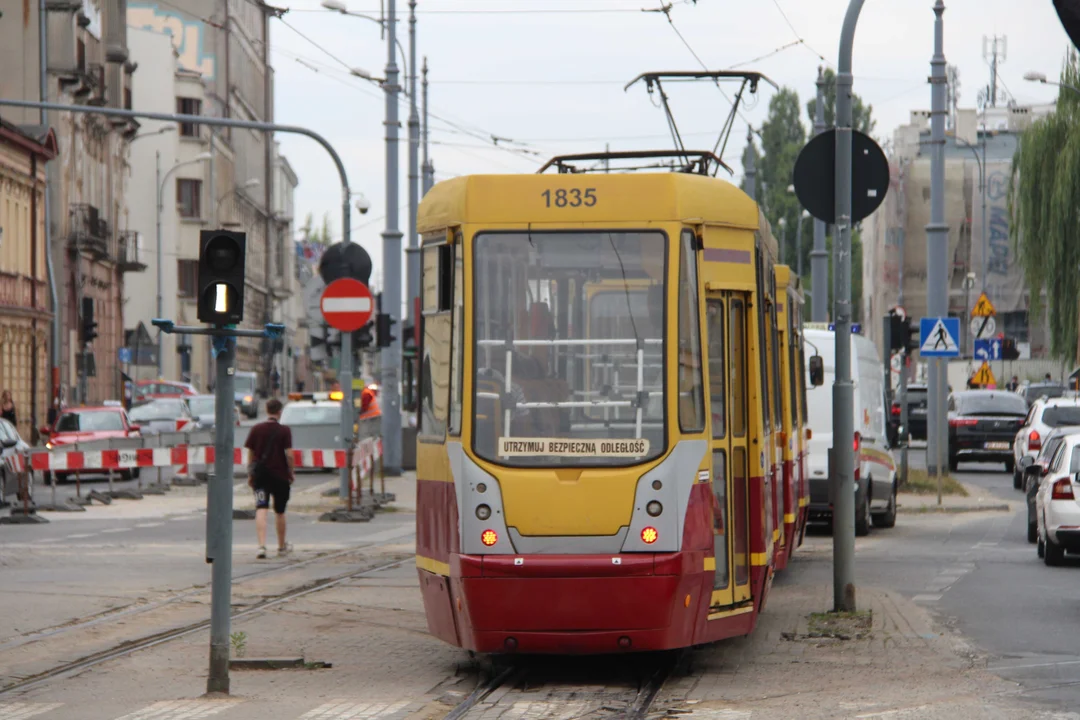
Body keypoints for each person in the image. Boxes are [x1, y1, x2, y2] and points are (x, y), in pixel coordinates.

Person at [244, 398, 295, 559]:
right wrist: (291, 472)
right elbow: (290, 454)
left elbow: (250, 453)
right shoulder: (284, 430)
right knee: (280, 511)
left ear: (266, 410)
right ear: (279, 412)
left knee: (261, 508)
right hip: (280, 475)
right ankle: (281, 547)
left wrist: (250, 473)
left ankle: (261, 546)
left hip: (261, 475)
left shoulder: (256, 429)